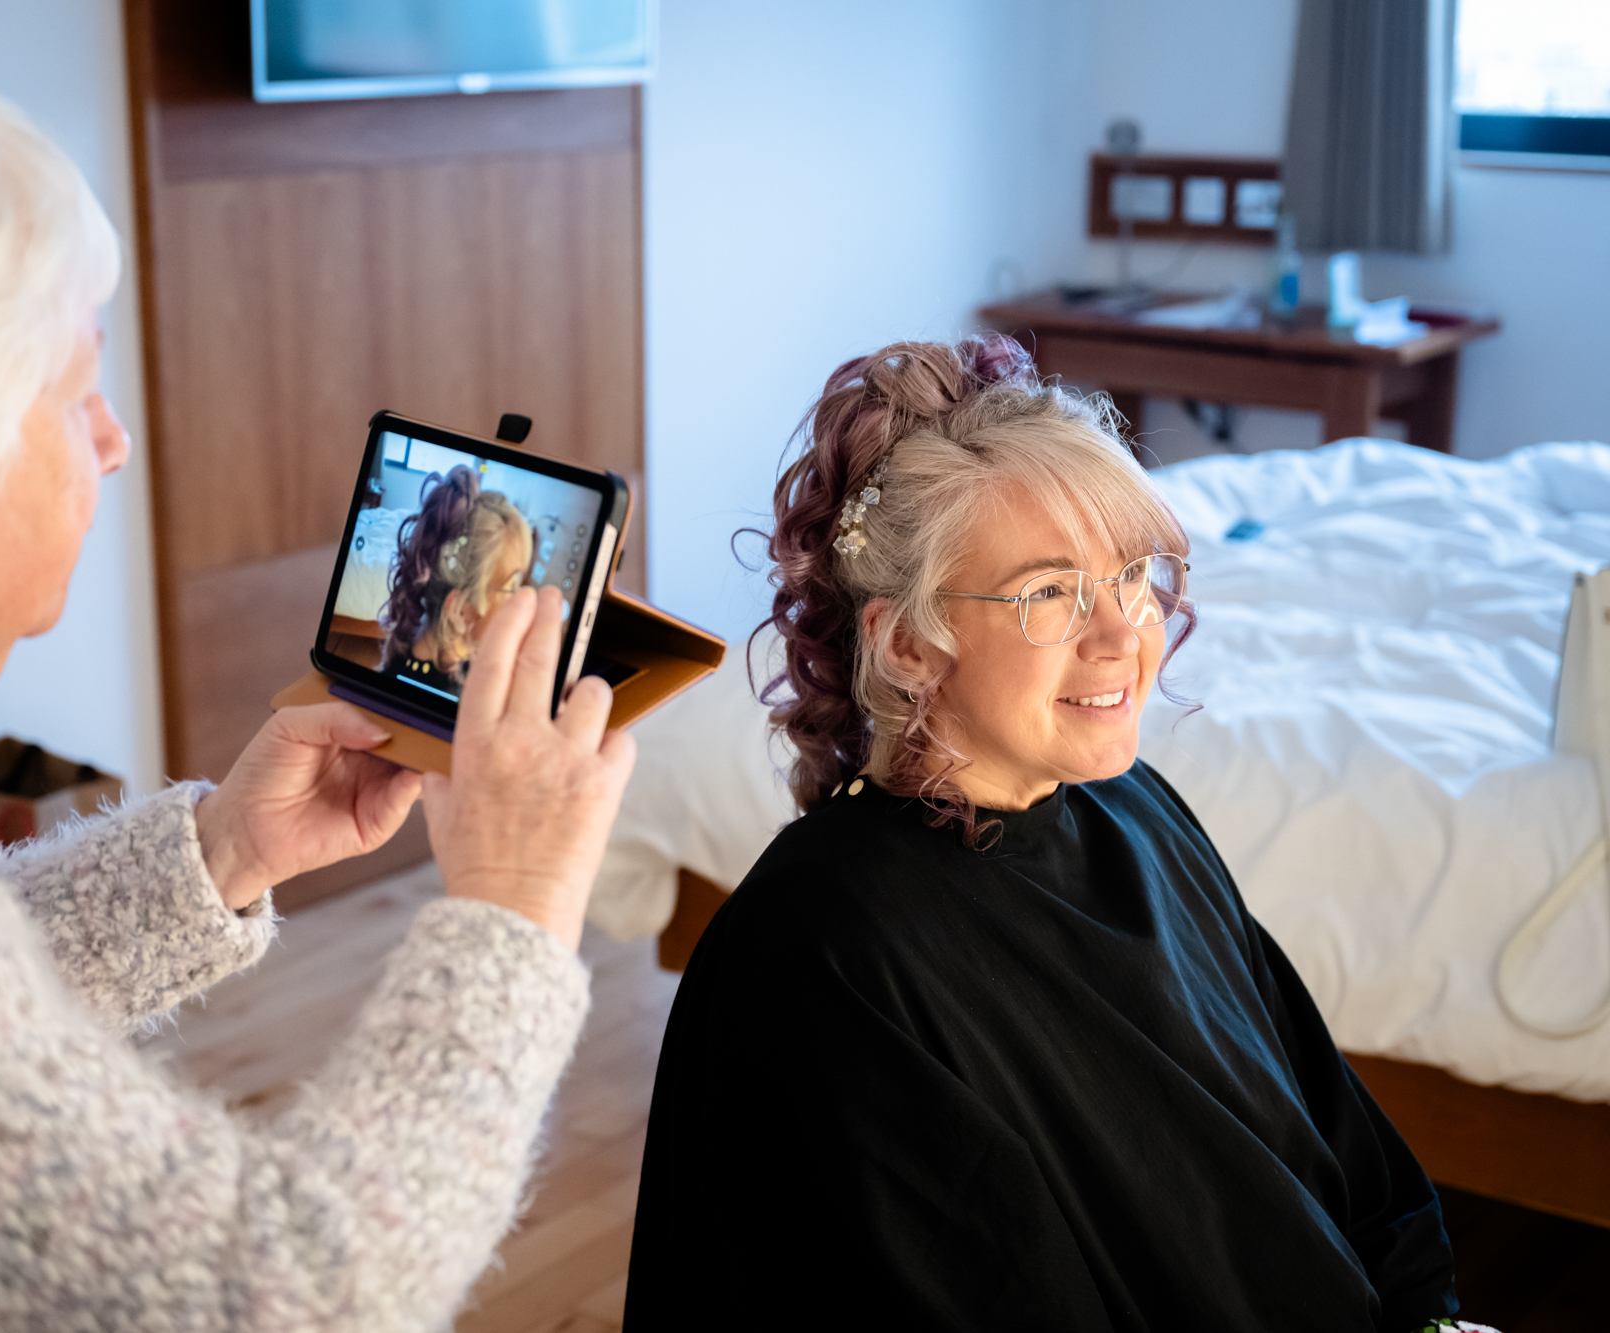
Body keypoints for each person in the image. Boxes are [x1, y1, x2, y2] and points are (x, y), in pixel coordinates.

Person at [0, 68, 634, 1329]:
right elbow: (293, 1299)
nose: (112, 441)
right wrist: (513, 917)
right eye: (73, 393)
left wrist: (215, 854)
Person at [623, 339, 1467, 1331]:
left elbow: (1330, 1137)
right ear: (905, 642)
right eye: (1045, 593)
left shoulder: (1135, 811)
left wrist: (1426, 1317)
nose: (1120, 634)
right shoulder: (824, 948)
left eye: (1130, 574)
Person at [379, 464, 534, 693]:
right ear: (461, 612)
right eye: (511, 588)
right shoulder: (440, 704)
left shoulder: (469, 654)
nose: (523, 601)